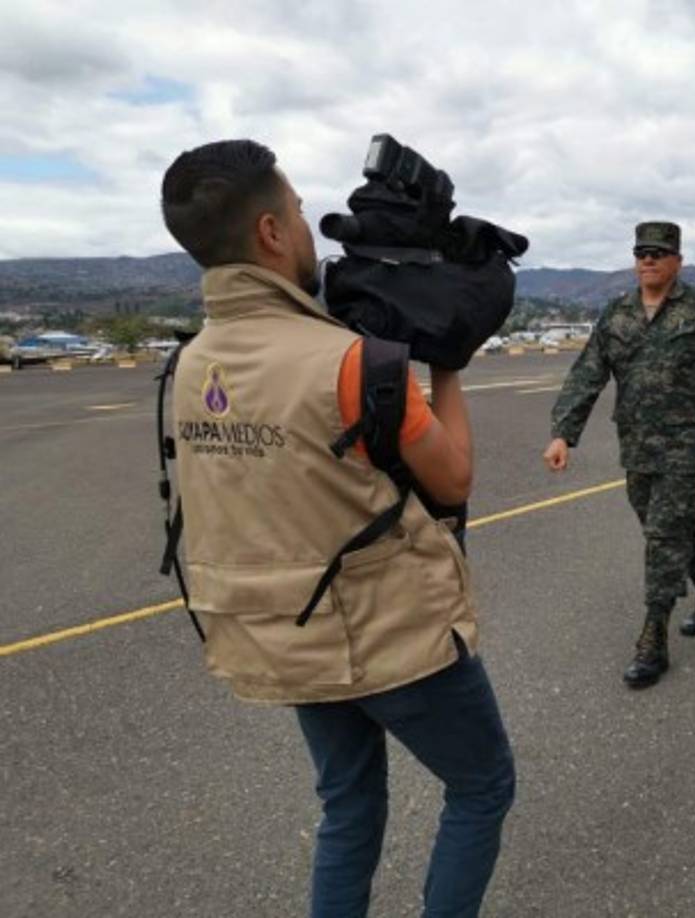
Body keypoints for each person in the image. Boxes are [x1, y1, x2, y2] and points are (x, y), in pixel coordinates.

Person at [161, 140, 514, 917]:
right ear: (270, 234)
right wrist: (446, 354)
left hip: (284, 632)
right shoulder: (353, 361)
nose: (307, 229)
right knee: (482, 785)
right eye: (295, 213)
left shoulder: (189, 366)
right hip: (392, 635)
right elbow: (452, 476)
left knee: (348, 808)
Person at [544, 221, 695, 688]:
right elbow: (587, 374)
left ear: (676, 260)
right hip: (636, 446)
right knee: (670, 529)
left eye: (658, 252)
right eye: (641, 252)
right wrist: (563, 434)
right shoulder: (617, 314)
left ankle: (652, 637)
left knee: (662, 535)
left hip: (684, 444)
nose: (648, 260)